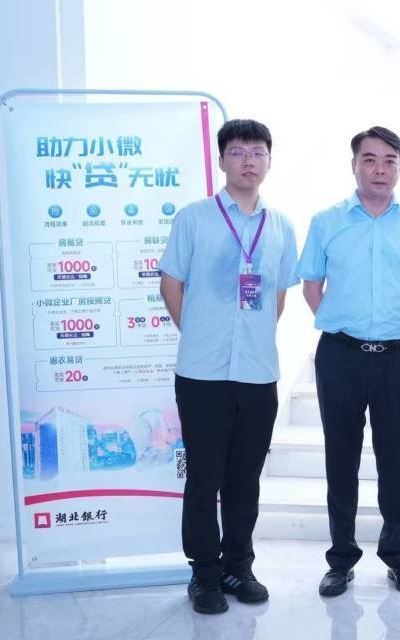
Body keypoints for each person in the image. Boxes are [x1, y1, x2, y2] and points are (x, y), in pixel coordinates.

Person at [159, 119, 300, 614]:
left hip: (258, 372)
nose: (248, 161)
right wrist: (200, 332)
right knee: (204, 476)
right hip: (202, 373)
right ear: (221, 161)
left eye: (258, 152)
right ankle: (204, 574)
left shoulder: (280, 226)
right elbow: (171, 284)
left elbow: (277, 294)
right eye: (238, 152)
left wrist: (252, 336)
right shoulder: (194, 218)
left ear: (269, 161)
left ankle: (239, 565)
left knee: (245, 476)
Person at [297, 126, 400, 597]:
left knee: (395, 458)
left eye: (389, 161)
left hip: (398, 357)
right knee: (341, 458)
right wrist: (342, 325)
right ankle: (341, 559)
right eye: (370, 160)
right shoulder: (327, 221)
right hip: (340, 355)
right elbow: (312, 286)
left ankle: (398, 556)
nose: (380, 169)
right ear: (354, 165)